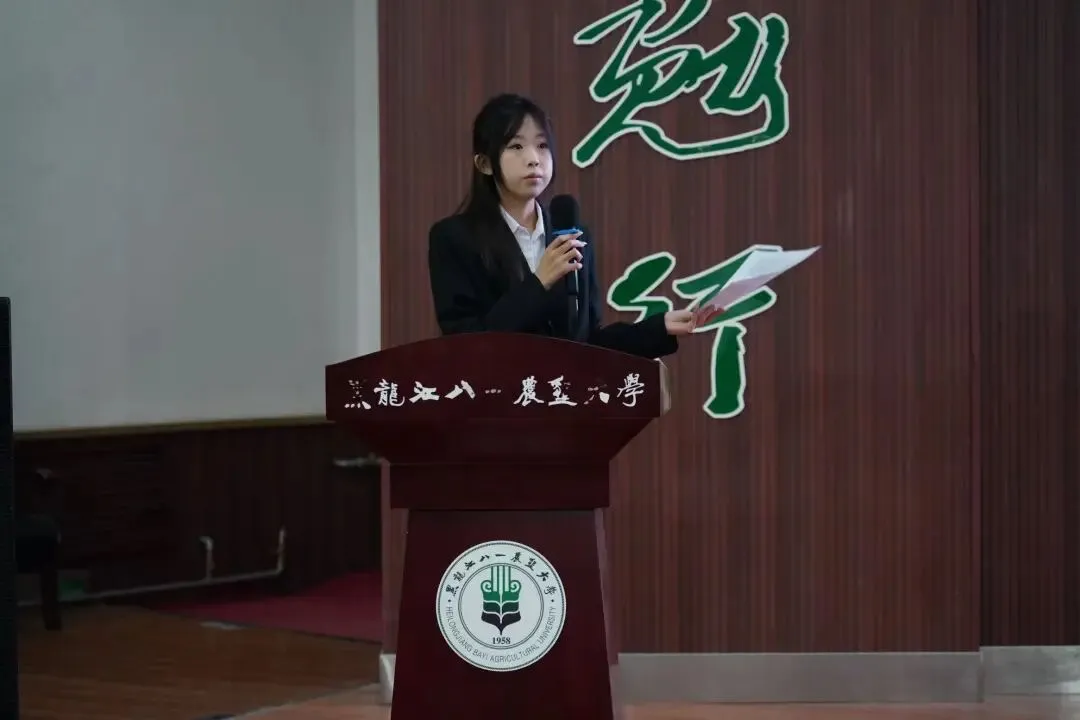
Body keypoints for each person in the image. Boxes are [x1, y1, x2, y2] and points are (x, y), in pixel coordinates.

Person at [427, 93, 694, 359]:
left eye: (542, 145)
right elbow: (466, 344)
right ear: (484, 163)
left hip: (566, 387)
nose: (534, 158)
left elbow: (587, 342)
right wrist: (539, 283)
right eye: (516, 146)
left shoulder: (572, 235)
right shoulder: (454, 238)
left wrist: (659, 328)